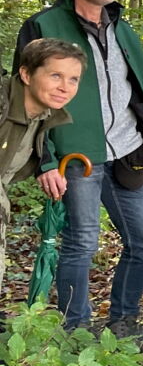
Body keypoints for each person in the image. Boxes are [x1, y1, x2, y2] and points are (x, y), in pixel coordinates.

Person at [16, 0, 143, 355]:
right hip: (74, 155)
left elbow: (135, 88)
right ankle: (77, 333)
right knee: (81, 243)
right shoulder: (43, 26)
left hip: (127, 149)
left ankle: (123, 322)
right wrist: (44, 159)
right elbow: (26, 98)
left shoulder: (121, 27)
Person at [0, 39, 83, 285]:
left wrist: (46, 166)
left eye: (73, 79)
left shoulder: (42, 114)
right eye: (55, 75)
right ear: (26, 74)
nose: (65, 87)